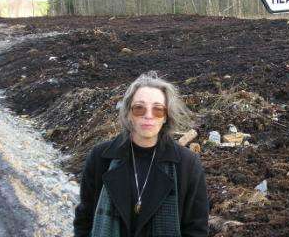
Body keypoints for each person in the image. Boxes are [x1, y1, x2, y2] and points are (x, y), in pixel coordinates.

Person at [73, 72, 209, 237]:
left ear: (166, 116)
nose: (148, 115)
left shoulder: (187, 164)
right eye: (139, 108)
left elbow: (196, 229)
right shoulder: (100, 157)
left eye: (158, 109)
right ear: (129, 114)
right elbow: (84, 220)